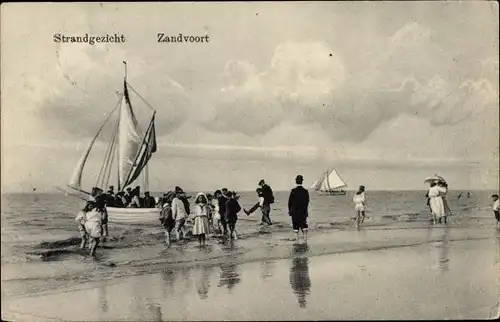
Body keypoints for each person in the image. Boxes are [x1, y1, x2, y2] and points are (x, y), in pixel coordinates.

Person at [288, 175, 310, 241]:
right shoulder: (305, 191)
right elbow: (307, 201)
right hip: (303, 211)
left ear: (296, 181)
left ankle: (297, 240)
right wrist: (305, 210)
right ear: (302, 181)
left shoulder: (293, 191)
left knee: (295, 227)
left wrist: (290, 211)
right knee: (304, 225)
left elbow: (290, 202)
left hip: (295, 212)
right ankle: (305, 239)